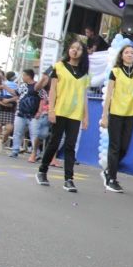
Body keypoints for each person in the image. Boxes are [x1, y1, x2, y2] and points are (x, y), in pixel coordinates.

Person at [35, 40, 90, 191]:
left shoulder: (85, 73)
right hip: (60, 110)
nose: (75, 51)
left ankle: (69, 179)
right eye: (72, 47)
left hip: (75, 113)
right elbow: (52, 90)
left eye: (78, 49)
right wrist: (51, 110)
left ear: (83, 53)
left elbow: (84, 95)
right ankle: (42, 171)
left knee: (70, 146)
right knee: (54, 142)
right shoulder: (58, 67)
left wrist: (86, 116)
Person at [100, 44, 133, 193]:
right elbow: (108, 95)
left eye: (132, 53)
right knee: (114, 146)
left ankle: (108, 170)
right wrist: (104, 115)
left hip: (130, 115)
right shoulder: (115, 72)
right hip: (115, 113)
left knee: (124, 148)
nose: (129, 55)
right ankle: (112, 179)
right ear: (121, 55)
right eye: (126, 52)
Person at [9, 68, 41, 158]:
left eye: (23, 75)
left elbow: (43, 98)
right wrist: (4, 87)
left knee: (34, 134)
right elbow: (15, 93)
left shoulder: (37, 86)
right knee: (17, 132)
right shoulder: (23, 86)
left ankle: (36, 153)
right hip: (21, 113)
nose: (22, 77)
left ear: (28, 76)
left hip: (33, 115)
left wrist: (39, 111)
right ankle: (15, 150)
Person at [0, 71, 18, 154]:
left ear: (3, 76)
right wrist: (4, 104)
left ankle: (1, 141)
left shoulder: (9, 85)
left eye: (0, 75)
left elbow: (16, 95)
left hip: (10, 109)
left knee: (9, 128)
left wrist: (5, 88)